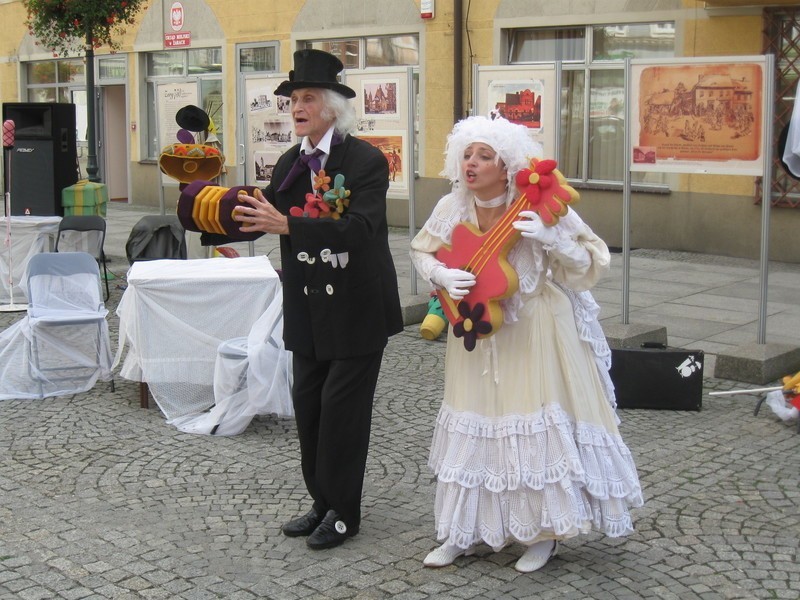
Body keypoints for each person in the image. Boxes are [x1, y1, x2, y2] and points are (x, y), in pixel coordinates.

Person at [410, 116, 643, 573]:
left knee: (531, 422)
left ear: (508, 165)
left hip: (533, 328)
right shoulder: (451, 206)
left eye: (484, 156)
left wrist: (553, 238)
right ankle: (466, 531)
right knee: (475, 422)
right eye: (467, 154)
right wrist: (440, 275)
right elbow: (421, 250)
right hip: (474, 332)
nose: (471, 163)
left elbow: (592, 264)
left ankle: (543, 534)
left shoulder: (537, 205)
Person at [232, 49, 404, 550]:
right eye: (293, 99)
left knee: (342, 416)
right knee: (310, 410)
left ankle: (345, 513)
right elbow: (263, 210)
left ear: (332, 107)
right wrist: (207, 210)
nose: (297, 106)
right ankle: (322, 502)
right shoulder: (291, 161)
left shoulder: (366, 160)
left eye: (307, 98)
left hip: (356, 309)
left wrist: (290, 225)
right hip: (308, 308)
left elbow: (361, 229)